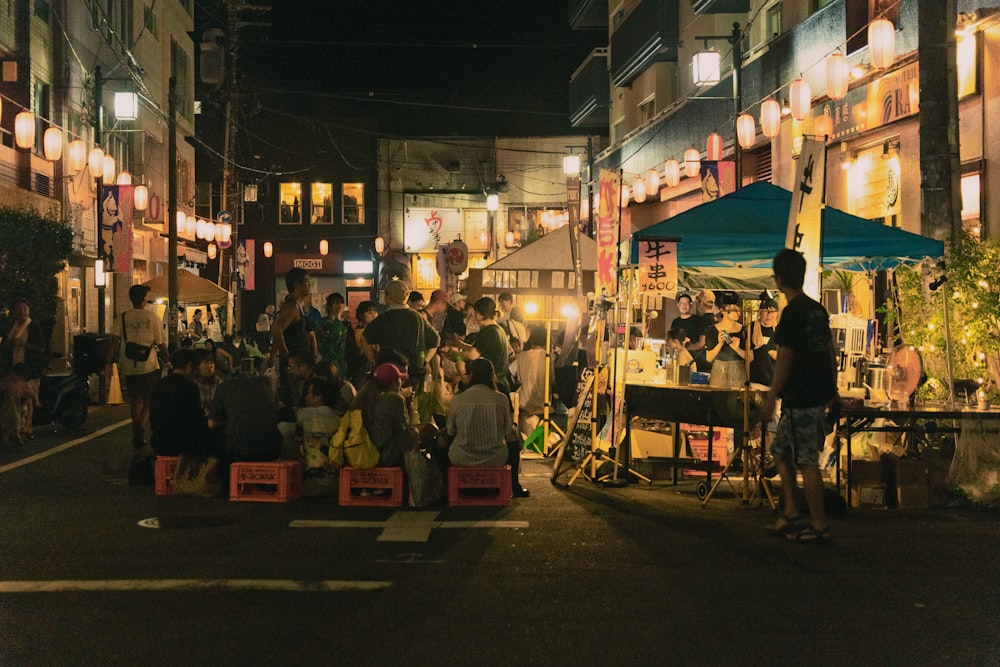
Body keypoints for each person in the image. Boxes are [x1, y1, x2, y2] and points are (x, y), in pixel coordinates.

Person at [760, 248, 837, 545]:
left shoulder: (792, 313)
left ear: (779, 280)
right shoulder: (817, 310)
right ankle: (791, 511)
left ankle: (819, 526)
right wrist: (833, 390)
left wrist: (771, 397)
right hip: (817, 394)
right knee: (780, 451)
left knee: (806, 461)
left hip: (800, 397)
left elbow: (785, 358)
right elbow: (830, 351)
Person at [107, 285, 167, 451]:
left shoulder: (123, 317)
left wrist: (108, 363)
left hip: (128, 364)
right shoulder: (152, 317)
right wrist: (169, 359)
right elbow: (161, 343)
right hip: (149, 364)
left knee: (136, 398)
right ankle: (139, 429)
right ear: (144, 299)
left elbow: (114, 342)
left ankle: (137, 429)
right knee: (149, 399)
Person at [363, 279, 439, 395]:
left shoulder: (383, 320)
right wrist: (424, 361)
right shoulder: (418, 318)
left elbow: (365, 339)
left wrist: (373, 360)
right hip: (414, 372)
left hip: (388, 375)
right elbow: (435, 341)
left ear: (389, 297)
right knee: (412, 406)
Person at [445, 358, 513, 468]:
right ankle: (513, 483)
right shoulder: (501, 399)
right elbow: (507, 430)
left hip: (462, 458)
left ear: (471, 375)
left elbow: (451, 430)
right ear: (492, 375)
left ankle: (446, 482)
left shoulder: (458, 399)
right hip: (496, 458)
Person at [351, 362, 417, 467]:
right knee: (413, 433)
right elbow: (403, 427)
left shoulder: (364, 397)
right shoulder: (394, 399)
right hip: (384, 455)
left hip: (361, 451)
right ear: (394, 383)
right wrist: (408, 405)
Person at [209, 372, 283, 463]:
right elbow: (276, 412)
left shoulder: (224, 387)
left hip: (237, 451)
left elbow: (212, 424)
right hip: (271, 450)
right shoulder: (269, 383)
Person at [0, 297, 47, 438]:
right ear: (13, 312)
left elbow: (42, 348)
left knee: (13, 394)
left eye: (25, 309)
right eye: (19, 310)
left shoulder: (34, 327)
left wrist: (24, 344)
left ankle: (15, 428)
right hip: (12, 371)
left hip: (28, 373)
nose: (22, 312)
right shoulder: (12, 328)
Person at [149, 349, 209, 457]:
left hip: (160, 442)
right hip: (182, 445)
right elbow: (194, 420)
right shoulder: (190, 387)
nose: (196, 373)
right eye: (196, 369)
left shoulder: (159, 385)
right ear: (189, 366)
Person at [269, 268, 314, 402]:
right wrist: (289, 357)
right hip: (296, 367)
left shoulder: (297, 306)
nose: (309, 285)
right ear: (297, 285)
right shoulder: (292, 306)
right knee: (295, 398)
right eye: (307, 282)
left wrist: (272, 356)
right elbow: (277, 330)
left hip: (299, 364)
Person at [704, 295, 751, 388]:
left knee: (737, 401)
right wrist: (720, 343)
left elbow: (750, 357)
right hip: (719, 370)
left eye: (738, 308)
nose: (737, 312)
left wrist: (737, 349)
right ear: (723, 310)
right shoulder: (711, 330)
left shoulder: (743, 329)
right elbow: (708, 358)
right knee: (719, 400)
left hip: (738, 370)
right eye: (733, 308)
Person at [297, 377, 341, 476]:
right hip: (334, 476)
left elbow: (297, 439)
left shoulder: (303, 414)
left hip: (309, 476)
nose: (305, 398)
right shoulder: (337, 419)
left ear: (318, 398)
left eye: (308, 394)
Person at [0, 364, 39, 448]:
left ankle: (13, 438)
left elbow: (30, 394)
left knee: (15, 422)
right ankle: (14, 439)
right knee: (13, 421)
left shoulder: (21, 383)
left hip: (16, 406)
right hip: (10, 406)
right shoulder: (9, 381)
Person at [749, 296, 780, 387]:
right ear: (760, 312)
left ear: (777, 314)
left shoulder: (780, 331)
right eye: (766, 311)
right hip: (755, 380)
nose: (769, 315)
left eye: (773, 312)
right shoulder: (750, 328)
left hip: (774, 381)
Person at [346, 300, 378, 387]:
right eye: (369, 312)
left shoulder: (377, 331)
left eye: (375, 311)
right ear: (361, 315)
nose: (373, 314)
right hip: (361, 371)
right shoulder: (356, 333)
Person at [317, 292, 349, 377]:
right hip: (327, 363)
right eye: (336, 303)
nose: (339, 306)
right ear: (329, 306)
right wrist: (338, 317)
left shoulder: (343, 324)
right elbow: (333, 339)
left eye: (340, 303)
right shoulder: (322, 323)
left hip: (340, 363)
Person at [692, 290, 717, 372]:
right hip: (716, 362)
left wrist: (687, 347)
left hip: (704, 364)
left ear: (701, 303)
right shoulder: (716, 320)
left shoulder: (703, 321)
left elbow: (701, 343)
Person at [194, 349, 223, 415]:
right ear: (197, 366)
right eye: (206, 363)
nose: (210, 366)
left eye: (212, 362)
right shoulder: (191, 384)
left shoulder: (218, 382)